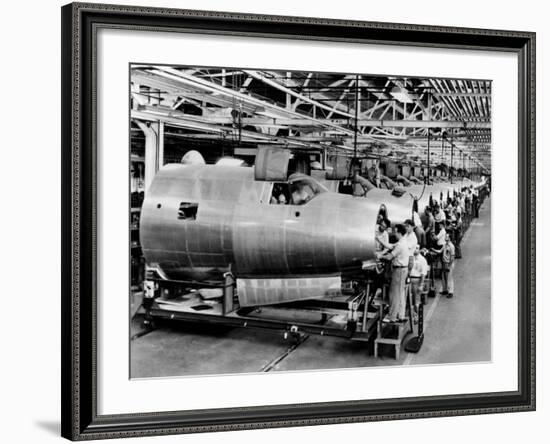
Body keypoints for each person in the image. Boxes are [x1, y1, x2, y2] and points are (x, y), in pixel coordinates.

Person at [379, 224, 410, 323]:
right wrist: (379, 239)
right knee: (400, 293)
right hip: (402, 270)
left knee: (393, 294)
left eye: (396, 231)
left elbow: (389, 257)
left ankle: (392, 317)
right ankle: (400, 315)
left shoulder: (401, 245)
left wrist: (380, 256)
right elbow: (390, 246)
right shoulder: (402, 241)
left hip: (399, 271)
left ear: (400, 233)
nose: (394, 233)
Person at [432, 233, 455, 298]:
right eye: (445, 236)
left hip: (448, 263)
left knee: (449, 278)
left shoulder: (451, 246)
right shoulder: (445, 245)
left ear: (449, 238)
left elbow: (452, 257)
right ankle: (445, 290)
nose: (445, 238)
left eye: (447, 237)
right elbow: (440, 251)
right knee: (444, 277)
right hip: (444, 263)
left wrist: (449, 265)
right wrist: (433, 250)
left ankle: (451, 292)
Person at [410, 246, 429, 322]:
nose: (415, 249)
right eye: (414, 248)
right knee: (409, 300)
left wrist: (421, 285)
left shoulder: (422, 260)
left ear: (419, 249)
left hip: (416, 281)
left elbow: (423, 273)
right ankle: (411, 315)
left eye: (417, 248)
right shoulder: (411, 258)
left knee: (416, 300)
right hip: (409, 280)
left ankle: (416, 316)